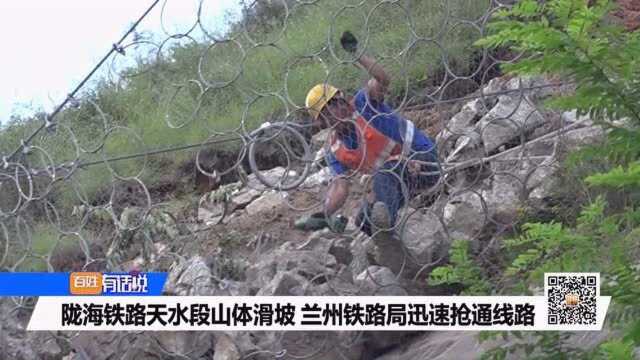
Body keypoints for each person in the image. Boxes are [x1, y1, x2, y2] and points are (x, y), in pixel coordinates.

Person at [304, 32, 441, 272]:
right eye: (324, 116)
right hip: (401, 184)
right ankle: (400, 255)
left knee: (383, 177)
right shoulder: (335, 148)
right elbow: (340, 187)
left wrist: (357, 54)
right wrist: (323, 214)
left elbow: (383, 78)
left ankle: (387, 233)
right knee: (363, 219)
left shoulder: (365, 104)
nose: (331, 116)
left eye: (332, 107)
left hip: (424, 164)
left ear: (341, 99)